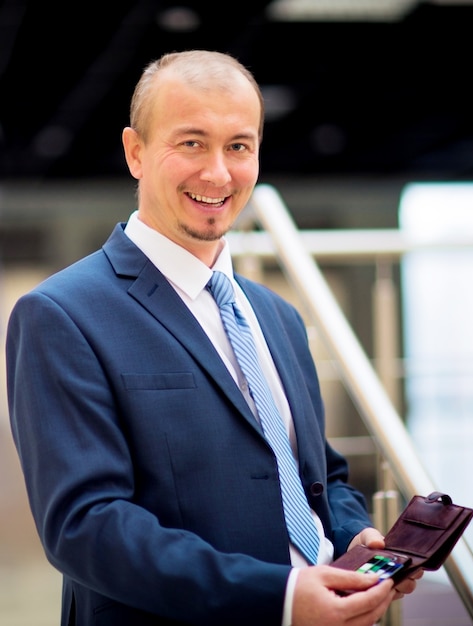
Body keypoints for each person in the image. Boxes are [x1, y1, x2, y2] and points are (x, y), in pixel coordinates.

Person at [6, 49, 421, 626]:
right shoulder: (61, 314)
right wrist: (277, 598)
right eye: (192, 143)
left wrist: (358, 538)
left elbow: (317, 476)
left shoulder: (277, 315)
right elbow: (86, 526)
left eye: (239, 146)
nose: (218, 174)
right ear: (136, 152)